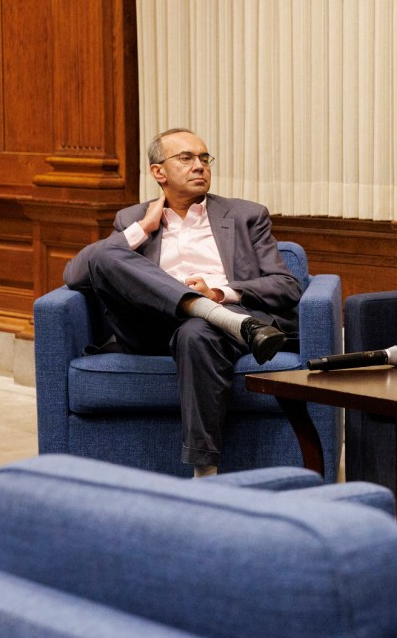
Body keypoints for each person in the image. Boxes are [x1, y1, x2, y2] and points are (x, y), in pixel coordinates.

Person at [63, 128, 299, 478]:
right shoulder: (131, 219)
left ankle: (204, 473)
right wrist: (142, 229)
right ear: (159, 172)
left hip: (215, 327)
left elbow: (286, 285)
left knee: (197, 332)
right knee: (105, 255)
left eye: (204, 159)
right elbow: (76, 274)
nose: (200, 166)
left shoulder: (246, 215)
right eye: (186, 158)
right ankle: (201, 309)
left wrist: (218, 294)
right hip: (149, 329)